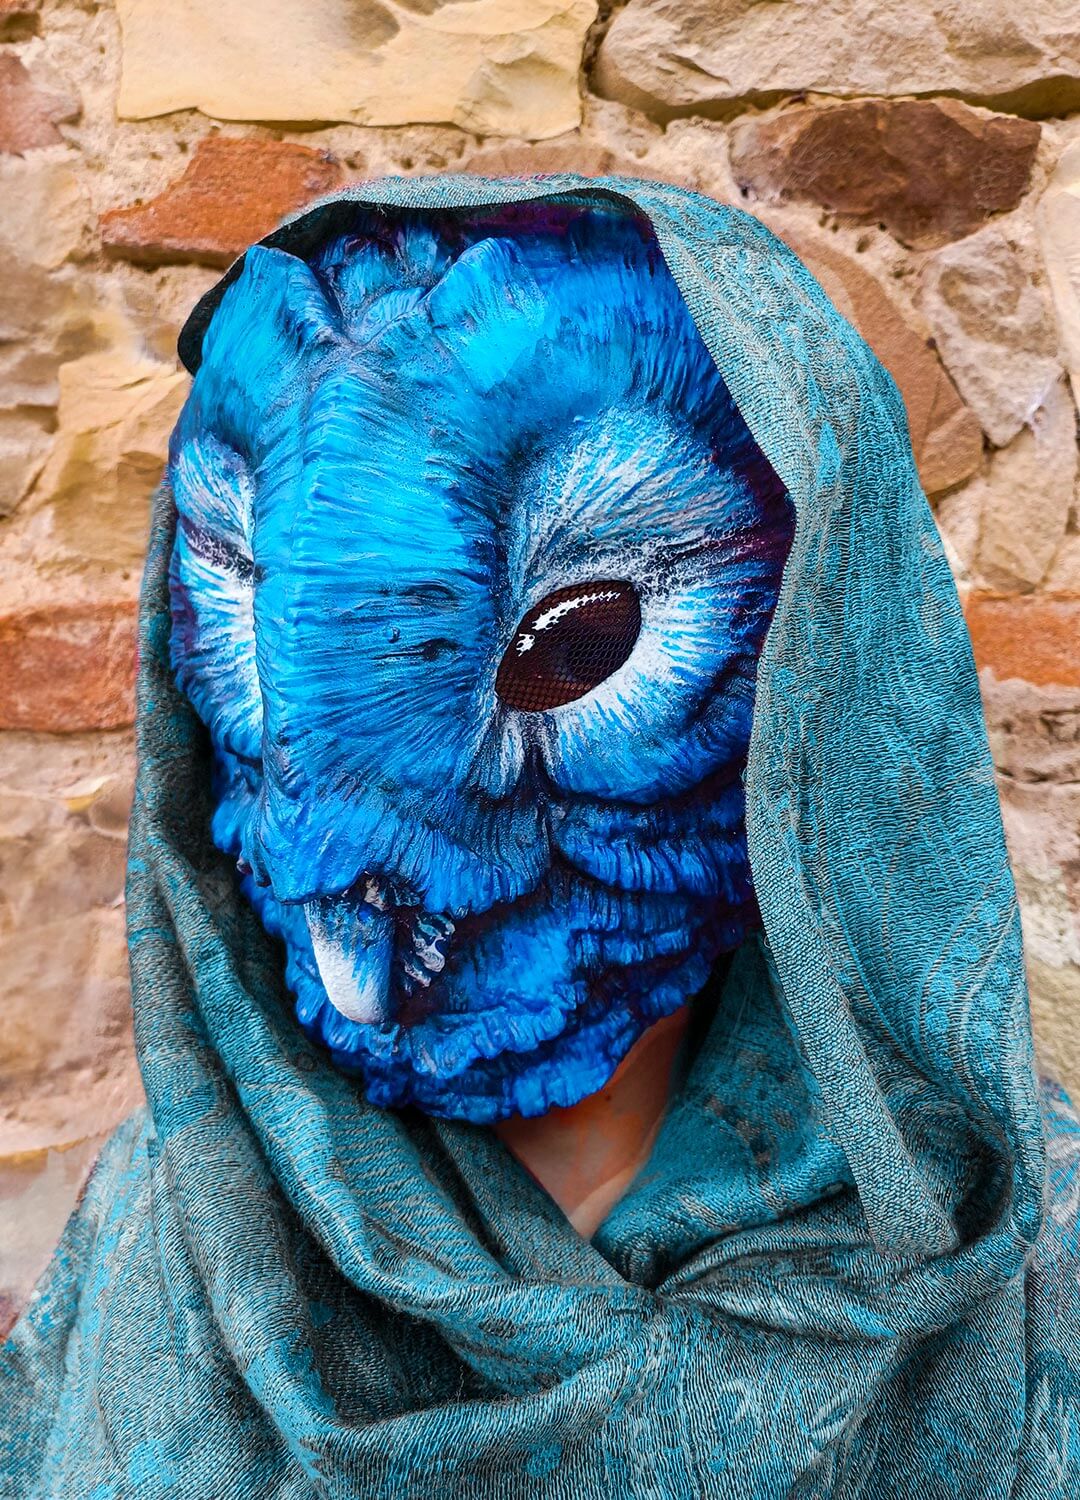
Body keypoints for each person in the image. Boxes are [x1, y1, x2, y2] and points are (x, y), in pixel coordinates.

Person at [2, 173, 1078, 1499]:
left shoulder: (1023, 1263)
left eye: (581, 644)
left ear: (827, 665)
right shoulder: (179, 1233)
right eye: (244, 625)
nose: (355, 963)